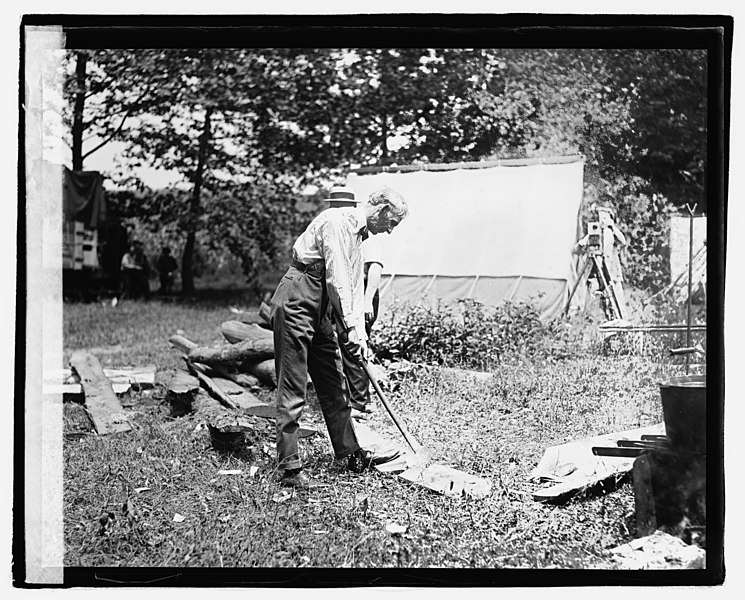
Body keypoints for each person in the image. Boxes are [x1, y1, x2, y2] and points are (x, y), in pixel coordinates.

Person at [269, 185, 409, 489]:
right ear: (382, 210)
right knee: (293, 385)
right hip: (299, 295)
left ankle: (349, 452)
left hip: (320, 304)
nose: (389, 232)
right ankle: (288, 469)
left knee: (334, 379)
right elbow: (338, 280)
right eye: (392, 223)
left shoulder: (360, 236)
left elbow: (354, 289)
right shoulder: (336, 221)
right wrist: (351, 329)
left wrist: (359, 335)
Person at [325, 190, 385, 416]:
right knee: (346, 343)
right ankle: (355, 397)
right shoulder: (338, 227)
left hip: (363, 294)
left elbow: (376, 267)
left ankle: (360, 402)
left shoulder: (366, 230)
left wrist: (368, 300)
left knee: (355, 343)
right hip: (347, 293)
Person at [575, 204, 627, 320]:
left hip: (611, 272)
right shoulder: (594, 233)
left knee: (616, 298)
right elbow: (577, 248)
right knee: (593, 300)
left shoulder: (613, 233)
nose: (602, 221)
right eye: (600, 218)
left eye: (605, 218)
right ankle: (591, 321)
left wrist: (613, 227)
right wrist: (583, 242)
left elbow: (623, 242)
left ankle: (621, 321)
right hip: (596, 273)